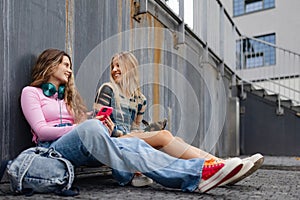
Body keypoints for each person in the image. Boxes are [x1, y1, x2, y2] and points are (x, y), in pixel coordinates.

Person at [20, 48, 244, 194]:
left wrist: (93, 120)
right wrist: (80, 127)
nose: (70, 70)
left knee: (134, 143)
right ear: (50, 65)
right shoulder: (31, 92)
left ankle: (198, 173)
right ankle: (127, 171)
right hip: (51, 150)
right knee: (97, 130)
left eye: (70, 65)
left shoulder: (68, 97)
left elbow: (84, 127)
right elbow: (41, 131)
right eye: (65, 65)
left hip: (83, 148)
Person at [94, 51, 264, 186]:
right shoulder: (108, 89)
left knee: (175, 139)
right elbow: (97, 126)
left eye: (119, 65)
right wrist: (117, 131)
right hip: (114, 141)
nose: (114, 70)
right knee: (164, 135)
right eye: (113, 66)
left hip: (129, 139)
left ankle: (223, 166)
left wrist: (148, 133)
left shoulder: (140, 99)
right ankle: (216, 165)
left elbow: (135, 129)